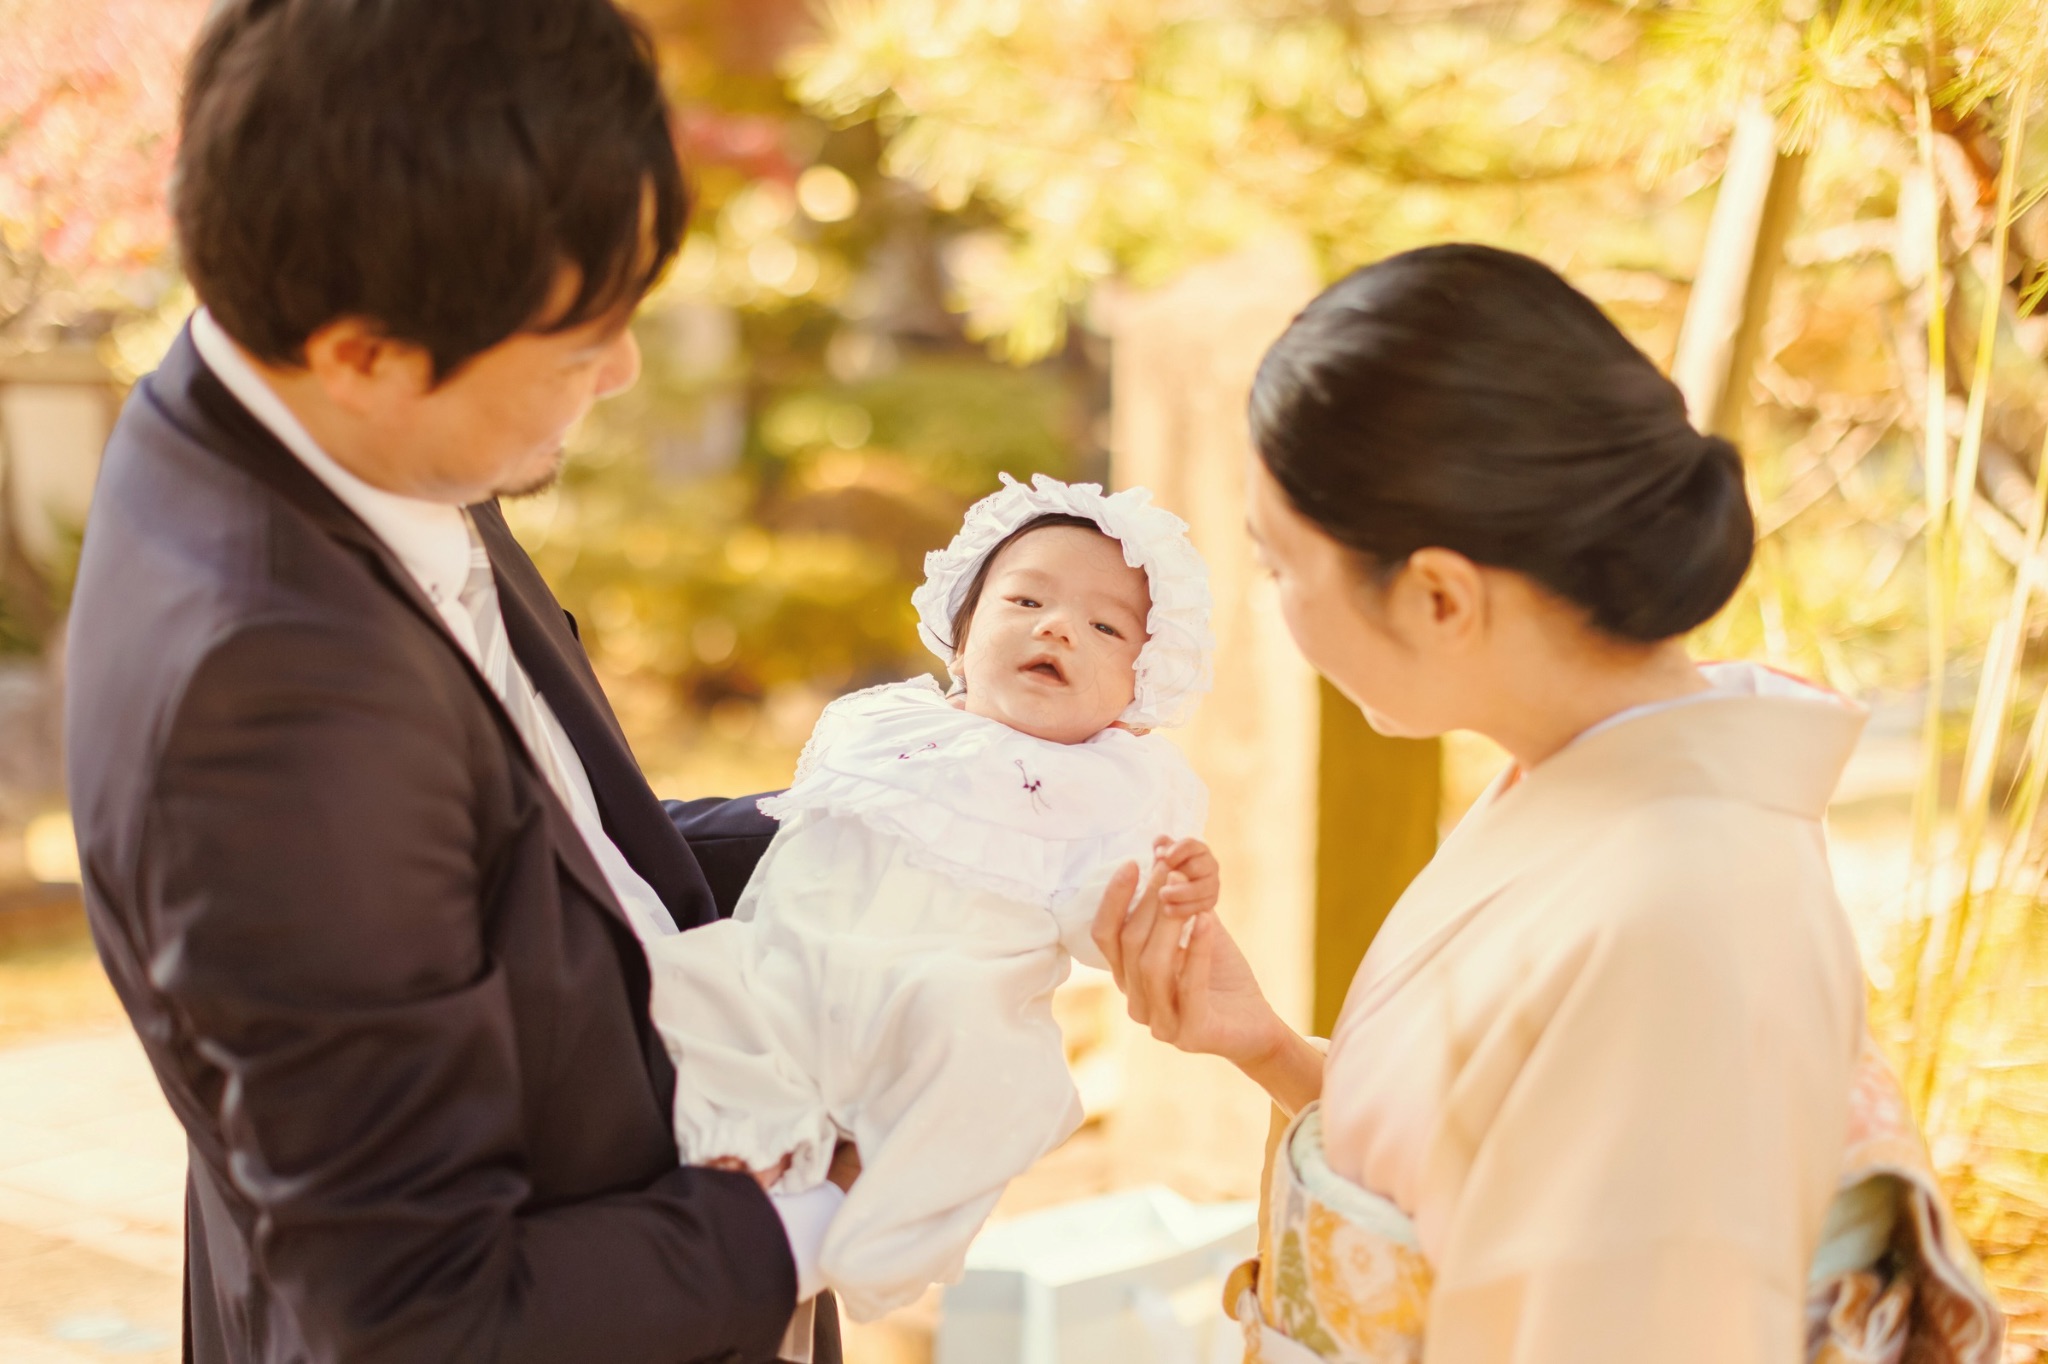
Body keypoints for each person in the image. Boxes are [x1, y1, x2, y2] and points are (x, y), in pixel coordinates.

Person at [64, 1, 849, 1360]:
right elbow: (420, 1315)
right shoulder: (270, 701)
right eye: (579, 341)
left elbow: (551, 860)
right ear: (366, 352)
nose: (624, 371)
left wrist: (886, 835)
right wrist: (817, 1214)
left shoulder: (330, 427)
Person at [1087, 244, 2003, 1363]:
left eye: (1279, 566)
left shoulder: (1679, 917)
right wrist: (1271, 1048)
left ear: (1435, 594)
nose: (1271, 607)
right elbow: (1503, 1159)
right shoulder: (1593, 785)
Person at [650, 474, 1219, 1326]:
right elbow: (796, 832)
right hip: (798, 956)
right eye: (1025, 600)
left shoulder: (1115, 784)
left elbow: (1106, 928)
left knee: (985, 1070)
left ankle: (868, 1232)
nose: (1057, 626)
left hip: (953, 986)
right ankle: (744, 1152)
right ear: (958, 641)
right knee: (688, 984)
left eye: (1105, 626)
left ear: (1138, 697)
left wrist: (1166, 903)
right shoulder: (881, 723)